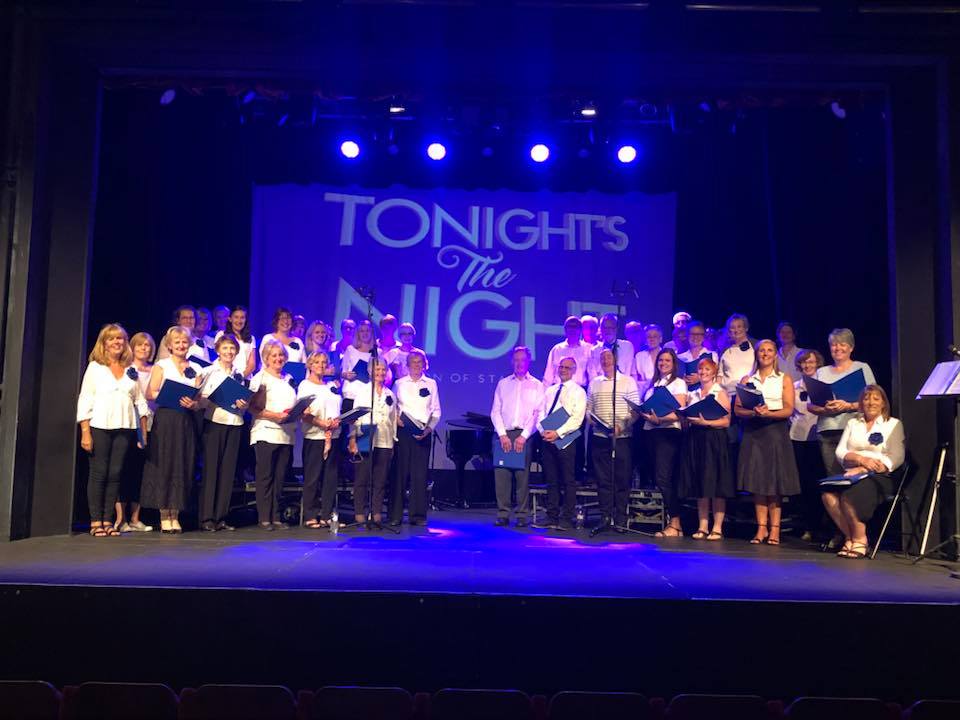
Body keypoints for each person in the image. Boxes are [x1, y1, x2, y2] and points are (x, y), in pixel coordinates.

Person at [76, 324, 150, 537]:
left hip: (124, 427)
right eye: (112, 339)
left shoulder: (130, 369)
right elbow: (85, 398)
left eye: (120, 339)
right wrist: (85, 431)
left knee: (115, 475)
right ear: (104, 343)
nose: (117, 342)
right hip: (99, 425)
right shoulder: (95, 367)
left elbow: (139, 401)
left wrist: (143, 432)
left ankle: (108, 520)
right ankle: (95, 521)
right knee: (99, 474)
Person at [823, 385, 906, 559]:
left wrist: (867, 467)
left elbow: (896, 457)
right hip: (852, 472)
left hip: (880, 475)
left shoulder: (893, 424)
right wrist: (860, 460)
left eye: (876, 399)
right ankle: (850, 536)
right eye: (867, 399)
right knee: (828, 495)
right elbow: (840, 452)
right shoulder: (853, 423)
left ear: (883, 403)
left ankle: (860, 539)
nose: (870, 402)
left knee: (850, 494)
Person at [735, 339, 801, 545]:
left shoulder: (784, 378)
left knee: (774, 483)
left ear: (775, 354)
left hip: (775, 432)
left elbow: (789, 409)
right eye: (761, 350)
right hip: (754, 431)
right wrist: (753, 412)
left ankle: (775, 530)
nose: (765, 354)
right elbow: (738, 409)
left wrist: (768, 413)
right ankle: (761, 528)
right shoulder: (748, 379)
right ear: (756, 354)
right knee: (757, 482)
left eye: (769, 350)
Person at [141, 325, 203, 534]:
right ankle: (163, 514)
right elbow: (151, 393)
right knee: (165, 464)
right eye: (177, 342)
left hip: (186, 420)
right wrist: (173, 396)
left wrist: (194, 404)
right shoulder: (162, 365)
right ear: (169, 345)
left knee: (181, 465)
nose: (181, 345)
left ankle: (175, 515)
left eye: (184, 342)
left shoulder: (195, 368)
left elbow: (199, 397)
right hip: (166, 418)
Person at [807, 328, 876, 478]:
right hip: (828, 432)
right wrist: (825, 409)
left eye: (842, 344)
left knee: (855, 476)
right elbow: (810, 405)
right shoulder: (821, 372)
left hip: (854, 429)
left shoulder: (861, 368)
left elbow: (874, 401)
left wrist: (849, 406)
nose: (838, 348)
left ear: (851, 347)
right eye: (834, 344)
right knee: (834, 478)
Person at [197, 334, 249, 532]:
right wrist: (210, 398)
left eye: (232, 349)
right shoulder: (209, 371)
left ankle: (221, 517)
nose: (229, 352)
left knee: (227, 472)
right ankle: (206, 517)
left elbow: (242, 401)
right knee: (211, 470)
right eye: (225, 348)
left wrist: (243, 404)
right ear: (218, 350)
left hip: (235, 423)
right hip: (214, 422)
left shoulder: (238, 374)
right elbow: (201, 400)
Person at [678, 357, 733, 540]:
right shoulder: (693, 394)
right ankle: (703, 525)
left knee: (716, 482)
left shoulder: (720, 392)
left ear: (714, 372)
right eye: (701, 370)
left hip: (714, 439)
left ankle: (717, 527)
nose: (703, 372)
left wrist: (706, 422)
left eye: (707, 369)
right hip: (697, 439)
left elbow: (726, 422)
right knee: (701, 482)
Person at [490, 346, 544, 527]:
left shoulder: (537, 385)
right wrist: (503, 435)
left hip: (524, 435)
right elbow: (495, 411)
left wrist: (524, 436)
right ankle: (503, 513)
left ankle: (522, 515)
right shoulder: (503, 384)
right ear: (512, 361)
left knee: (523, 477)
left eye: (523, 360)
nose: (519, 363)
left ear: (528, 361)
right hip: (504, 434)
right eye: (516, 360)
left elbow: (537, 414)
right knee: (502, 476)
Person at [587, 348, 640, 530]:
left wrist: (621, 426)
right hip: (600, 437)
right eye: (602, 358)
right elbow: (589, 407)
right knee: (603, 480)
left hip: (622, 437)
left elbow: (635, 411)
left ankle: (620, 519)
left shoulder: (627, 382)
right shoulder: (594, 383)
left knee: (622, 479)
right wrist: (590, 418)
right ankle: (605, 516)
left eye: (609, 357)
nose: (606, 361)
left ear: (616, 359)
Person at [248, 338, 298, 531]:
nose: (278, 358)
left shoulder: (288, 379)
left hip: (286, 434)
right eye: (274, 355)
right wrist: (274, 416)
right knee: (265, 476)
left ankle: (276, 516)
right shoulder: (260, 378)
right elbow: (253, 408)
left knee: (279, 477)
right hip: (266, 432)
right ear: (266, 358)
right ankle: (264, 518)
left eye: (280, 355)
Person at [637, 348, 688, 537]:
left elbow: (679, 412)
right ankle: (674, 523)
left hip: (668, 432)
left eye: (667, 360)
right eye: (661, 360)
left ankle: (675, 523)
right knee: (658, 478)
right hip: (652, 433)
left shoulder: (678, 383)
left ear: (674, 364)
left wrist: (661, 419)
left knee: (664, 477)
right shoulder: (653, 385)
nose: (663, 363)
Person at [391, 350, 441, 526]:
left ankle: (417, 516)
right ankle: (395, 515)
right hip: (403, 432)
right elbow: (392, 406)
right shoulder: (399, 383)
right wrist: (395, 418)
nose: (416, 365)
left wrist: (429, 429)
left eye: (420, 362)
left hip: (423, 432)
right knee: (400, 474)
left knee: (419, 476)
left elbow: (436, 410)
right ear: (407, 364)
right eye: (413, 362)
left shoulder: (431, 383)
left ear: (425, 364)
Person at [537, 357, 587, 530]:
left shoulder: (579, 391)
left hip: (566, 439)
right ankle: (552, 516)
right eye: (561, 367)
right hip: (547, 438)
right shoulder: (550, 390)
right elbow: (541, 412)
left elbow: (577, 419)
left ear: (574, 370)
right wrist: (542, 430)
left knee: (568, 480)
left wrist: (558, 433)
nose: (563, 370)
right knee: (551, 480)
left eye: (567, 367)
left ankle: (566, 518)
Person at [114, 331, 156, 533]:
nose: (144, 349)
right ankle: (120, 519)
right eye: (139, 345)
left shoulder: (156, 369)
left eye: (147, 345)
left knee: (141, 471)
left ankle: (135, 518)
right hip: (128, 422)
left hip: (150, 423)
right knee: (124, 469)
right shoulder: (125, 368)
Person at [349, 358, 397, 528]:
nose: (380, 373)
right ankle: (359, 513)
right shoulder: (363, 392)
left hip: (384, 440)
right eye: (377, 370)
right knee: (362, 477)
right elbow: (355, 417)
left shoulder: (390, 394)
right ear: (370, 372)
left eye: (383, 370)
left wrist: (392, 441)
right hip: (365, 438)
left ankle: (376, 512)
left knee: (380, 479)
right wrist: (353, 439)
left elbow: (392, 419)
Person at [299, 352, 343, 529]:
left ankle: (326, 514)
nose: (321, 365)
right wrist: (322, 423)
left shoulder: (330, 386)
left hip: (333, 436)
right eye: (317, 362)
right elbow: (304, 413)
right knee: (312, 477)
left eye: (324, 362)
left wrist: (336, 421)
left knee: (330, 478)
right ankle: (310, 514)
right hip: (315, 436)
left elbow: (336, 409)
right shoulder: (305, 385)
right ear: (310, 364)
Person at [790, 349, 827, 542]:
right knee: (802, 484)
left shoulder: (823, 385)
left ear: (817, 363)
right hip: (798, 437)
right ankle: (807, 526)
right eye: (804, 362)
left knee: (818, 482)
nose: (807, 365)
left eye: (811, 362)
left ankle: (822, 526)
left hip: (818, 437)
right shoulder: (794, 386)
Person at [542, 316, 591, 387]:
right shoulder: (557, 349)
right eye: (570, 327)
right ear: (565, 329)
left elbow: (591, 375)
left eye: (575, 327)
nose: (572, 330)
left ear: (580, 330)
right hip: (559, 389)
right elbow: (548, 375)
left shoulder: (588, 349)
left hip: (580, 390)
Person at [588, 313, 636, 381]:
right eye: (605, 327)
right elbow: (592, 376)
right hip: (601, 387)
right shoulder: (594, 351)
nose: (608, 330)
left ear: (616, 329)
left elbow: (629, 370)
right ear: (600, 329)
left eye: (611, 327)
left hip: (622, 386)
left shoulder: (627, 346)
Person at [718, 313, 755, 396]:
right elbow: (720, 375)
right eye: (733, 327)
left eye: (739, 326)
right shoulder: (725, 350)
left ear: (746, 328)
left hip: (750, 392)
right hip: (729, 395)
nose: (736, 330)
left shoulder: (756, 346)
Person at [341, 318, 378, 401]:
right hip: (351, 393)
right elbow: (342, 372)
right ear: (358, 333)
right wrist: (346, 375)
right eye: (362, 331)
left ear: (372, 332)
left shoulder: (377, 352)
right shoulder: (350, 349)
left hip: (368, 395)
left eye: (367, 331)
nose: (365, 333)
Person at [215, 305, 257, 378]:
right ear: (230, 319)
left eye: (242, 317)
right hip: (225, 376)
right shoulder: (221, 335)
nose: (239, 321)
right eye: (236, 317)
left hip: (245, 378)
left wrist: (241, 377)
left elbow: (252, 364)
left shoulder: (251, 338)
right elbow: (219, 358)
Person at [677, 320, 718, 391]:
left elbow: (716, 377)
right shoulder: (680, 357)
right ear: (687, 335)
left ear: (704, 336)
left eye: (699, 334)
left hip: (706, 394)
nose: (695, 337)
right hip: (685, 396)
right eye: (692, 334)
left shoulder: (712, 355)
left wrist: (700, 378)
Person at [634, 323, 663, 399]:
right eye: (648, 337)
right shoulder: (639, 356)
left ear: (660, 339)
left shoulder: (667, 355)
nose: (651, 339)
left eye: (655, 336)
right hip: (644, 394)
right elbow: (635, 378)